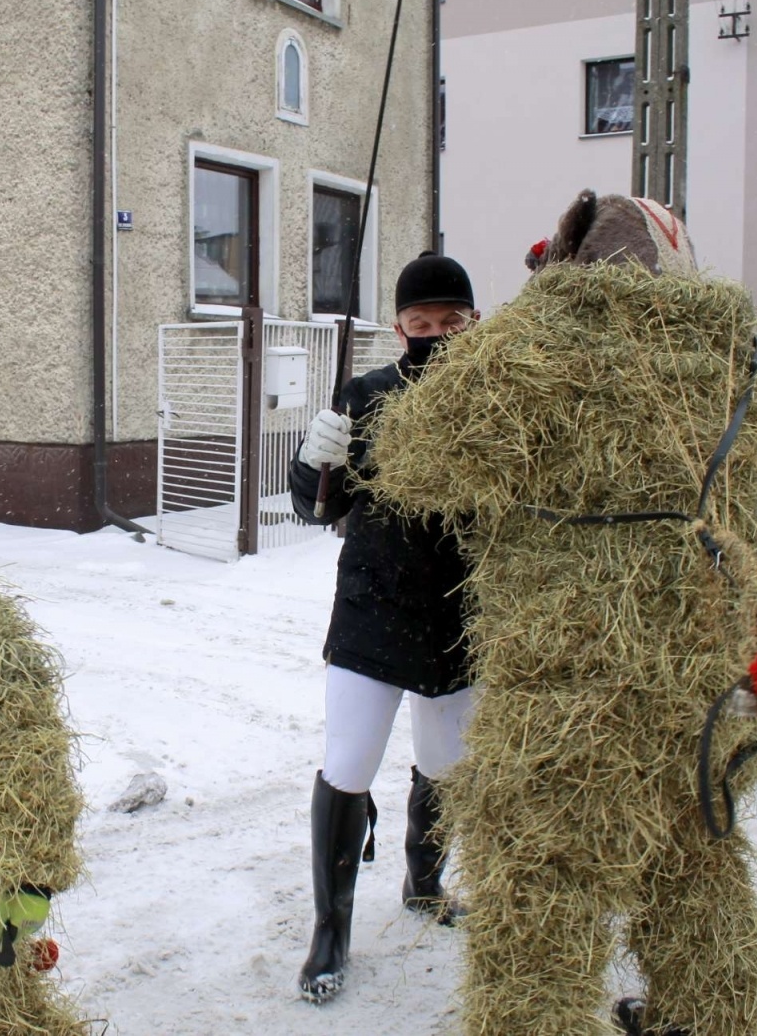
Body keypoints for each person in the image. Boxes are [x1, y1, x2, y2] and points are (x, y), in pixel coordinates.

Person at [287, 251, 481, 1004]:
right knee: (348, 766)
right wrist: (313, 463)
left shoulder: (499, 399)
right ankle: (330, 932)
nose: (434, 334)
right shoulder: (368, 396)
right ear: (399, 326)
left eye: (449, 321)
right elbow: (320, 509)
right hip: (373, 614)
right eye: (420, 323)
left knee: (443, 763)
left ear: (473, 321)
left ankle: (425, 882)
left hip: (461, 622)